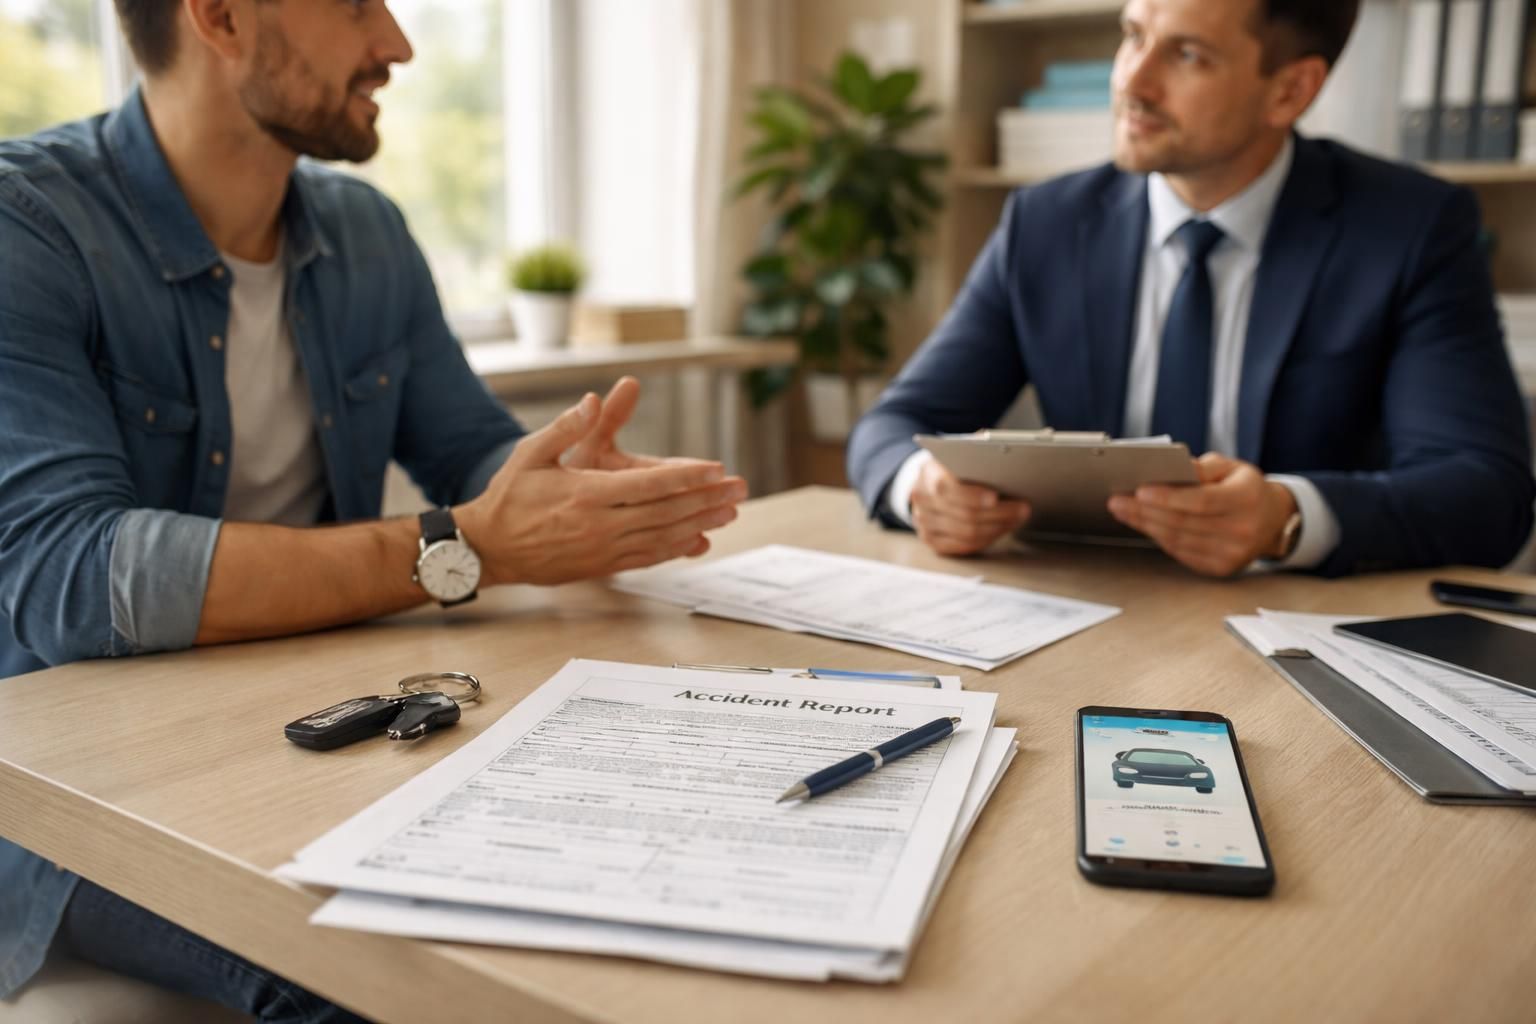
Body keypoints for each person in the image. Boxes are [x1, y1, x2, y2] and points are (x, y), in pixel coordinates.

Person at [0, 0, 745, 1019]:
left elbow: (468, 451)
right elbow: (69, 576)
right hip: (77, 803)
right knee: (405, 989)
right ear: (218, 17)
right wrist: (462, 545)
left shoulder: (367, 234)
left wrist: (571, 488)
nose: (397, 43)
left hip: (325, 736)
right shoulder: (28, 227)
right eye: (357, 5)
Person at [848, 0, 1535, 578]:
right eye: (1134, 36)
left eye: (1187, 56)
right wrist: (923, 491)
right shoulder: (1047, 224)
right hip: (1089, 609)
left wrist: (1287, 515)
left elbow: (1486, 492)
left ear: (1289, 91)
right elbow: (893, 424)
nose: (1133, 83)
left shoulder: (1409, 228)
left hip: (1297, 627)